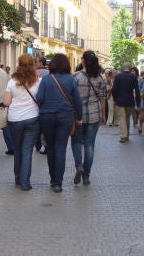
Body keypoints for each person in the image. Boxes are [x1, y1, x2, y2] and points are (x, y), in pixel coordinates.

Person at [37, 54, 82, 193]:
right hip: (65, 117)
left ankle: (53, 179)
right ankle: (58, 183)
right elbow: (77, 100)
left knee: (51, 148)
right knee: (61, 149)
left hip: (47, 117)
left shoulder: (46, 79)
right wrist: (79, 117)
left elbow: (40, 98)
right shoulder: (71, 79)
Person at [3, 54, 41, 191]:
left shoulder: (12, 81)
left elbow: (6, 102)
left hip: (14, 120)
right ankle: (25, 182)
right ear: (33, 64)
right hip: (32, 119)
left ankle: (18, 178)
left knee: (18, 149)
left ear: (18, 64)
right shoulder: (38, 81)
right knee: (27, 150)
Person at [71, 51, 106, 186]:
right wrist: (103, 115)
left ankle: (79, 165)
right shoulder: (100, 78)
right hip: (94, 115)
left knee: (76, 143)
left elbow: (71, 97)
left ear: (83, 61)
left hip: (78, 116)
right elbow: (102, 99)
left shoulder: (76, 77)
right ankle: (86, 176)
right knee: (89, 145)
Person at [112, 62, 140, 143]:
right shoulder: (133, 77)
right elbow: (137, 91)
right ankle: (127, 134)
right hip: (130, 101)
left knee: (122, 118)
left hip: (120, 101)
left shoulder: (118, 76)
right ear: (130, 68)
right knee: (127, 118)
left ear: (122, 67)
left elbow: (114, 89)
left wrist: (115, 99)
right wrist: (138, 103)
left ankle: (123, 136)